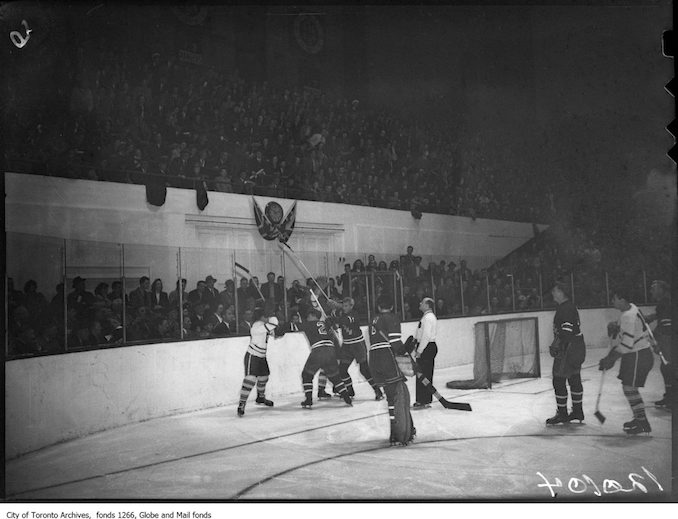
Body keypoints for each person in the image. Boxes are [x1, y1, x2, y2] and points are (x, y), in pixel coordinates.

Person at [599, 288, 654, 435]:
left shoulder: (627, 316)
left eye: (614, 298)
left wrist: (610, 358)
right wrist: (616, 327)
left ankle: (642, 422)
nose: (612, 301)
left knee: (629, 388)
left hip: (638, 355)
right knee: (628, 388)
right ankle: (640, 419)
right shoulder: (632, 308)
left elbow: (626, 345)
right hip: (637, 354)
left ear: (622, 299)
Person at [368, 294, 415, 445]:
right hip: (386, 357)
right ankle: (399, 432)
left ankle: (396, 432)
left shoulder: (374, 320)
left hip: (374, 360)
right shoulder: (392, 317)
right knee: (397, 395)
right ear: (392, 307)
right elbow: (395, 343)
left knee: (391, 396)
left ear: (379, 307)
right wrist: (405, 348)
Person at [546, 282, 586, 425]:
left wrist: (558, 345)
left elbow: (567, 331)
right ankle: (577, 411)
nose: (553, 292)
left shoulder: (565, 309)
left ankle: (562, 413)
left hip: (568, 349)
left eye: (555, 290)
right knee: (574, 378)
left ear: (562, 292)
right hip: (577, 346)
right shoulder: (569, 306)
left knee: (558, 380)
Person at [296, 308, 352, 409]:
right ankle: (346, 398)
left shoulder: (309, 324)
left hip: (319, 350)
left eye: (309, 315)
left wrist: (279, 330)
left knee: (307, 375)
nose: (308, 317)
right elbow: (334, 334)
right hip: (331, 351)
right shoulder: (326, 325)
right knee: (335, 377)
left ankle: (308, 400)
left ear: (313, 316)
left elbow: (293, 326)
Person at [331, 297, 384, 401]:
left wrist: (334, 318)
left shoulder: (353, 314)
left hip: (357, 344)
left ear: (351, 306)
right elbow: (335, 317)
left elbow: (344, 321)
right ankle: (350, 390)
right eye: (343, 305)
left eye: (346, 306)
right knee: (342, 370)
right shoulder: (341, 313)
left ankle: (378, 390)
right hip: (346, 345)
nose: (344, 308)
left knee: (364, 370)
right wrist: (333, 309)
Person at [237, 307, 281, 417]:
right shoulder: (257, 325)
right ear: (261, 317)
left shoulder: (262, 326)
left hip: (261, 356)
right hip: (253, 355)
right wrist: (274, 317)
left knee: (264, 377)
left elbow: (275, 333)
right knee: (250, 379)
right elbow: (273, 324)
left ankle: (260, 397)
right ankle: (242, 404)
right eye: (266, 316)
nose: (267, 318)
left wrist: (279, 330)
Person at [645, 280, 673, 409]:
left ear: (661, 290)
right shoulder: (665, 302)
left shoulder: (665, 303)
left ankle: (672, 397)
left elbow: (667, 325)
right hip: (668, 338)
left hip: (669, 339)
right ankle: (670, 396)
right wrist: (652, 317)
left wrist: (659, 341)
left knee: (669, 367)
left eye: (653, 288)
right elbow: (661, 316)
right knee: (666, 367)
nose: (651, 291)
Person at [412, 297, 438, 409]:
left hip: (426, 347)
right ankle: (423, 399)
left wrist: (419, 350)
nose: (420, 303)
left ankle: (424, 400)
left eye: (422, 302)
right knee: (422, 374)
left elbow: (426, 336)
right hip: (426, 347)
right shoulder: (427, 317)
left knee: (424, 374)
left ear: (427, 305)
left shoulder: (428, 318)